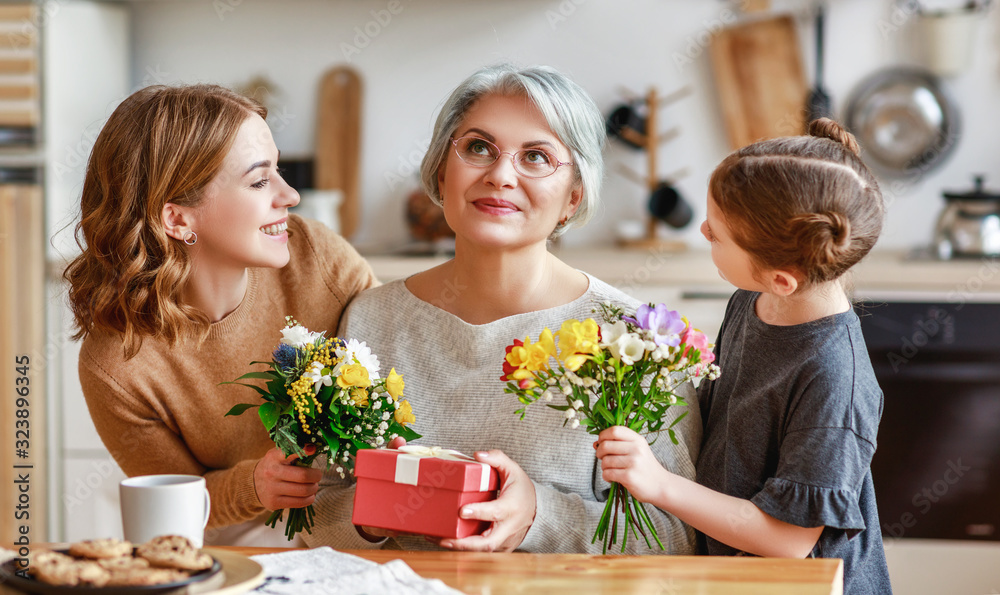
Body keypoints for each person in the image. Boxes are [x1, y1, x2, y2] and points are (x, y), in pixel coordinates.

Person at [305, 64, 699, 555]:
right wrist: (369, 516)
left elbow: (679, 538)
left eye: (536, 156)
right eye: (477, 148)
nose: (500, 175)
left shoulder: (634, 338)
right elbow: (311, 515)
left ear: (573, 198)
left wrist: (538, 515)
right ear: (440, 171)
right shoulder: (371, 320)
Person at [65, 84, 377, 546]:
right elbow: (174, 499)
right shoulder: (116, 366)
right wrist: (255, 484)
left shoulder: (318, 257)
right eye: (258, 180)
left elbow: (398, 375)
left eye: (279, 171)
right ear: (177, 219)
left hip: (350, 525)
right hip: (230, 547)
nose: (289, 195)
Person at [595, 119, 891, 592]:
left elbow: (789, 539)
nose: (703, 227)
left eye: (717, 236)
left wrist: (658, 484)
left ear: (782, 278)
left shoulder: (835, 380)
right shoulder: (754, 301)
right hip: (734, 572)